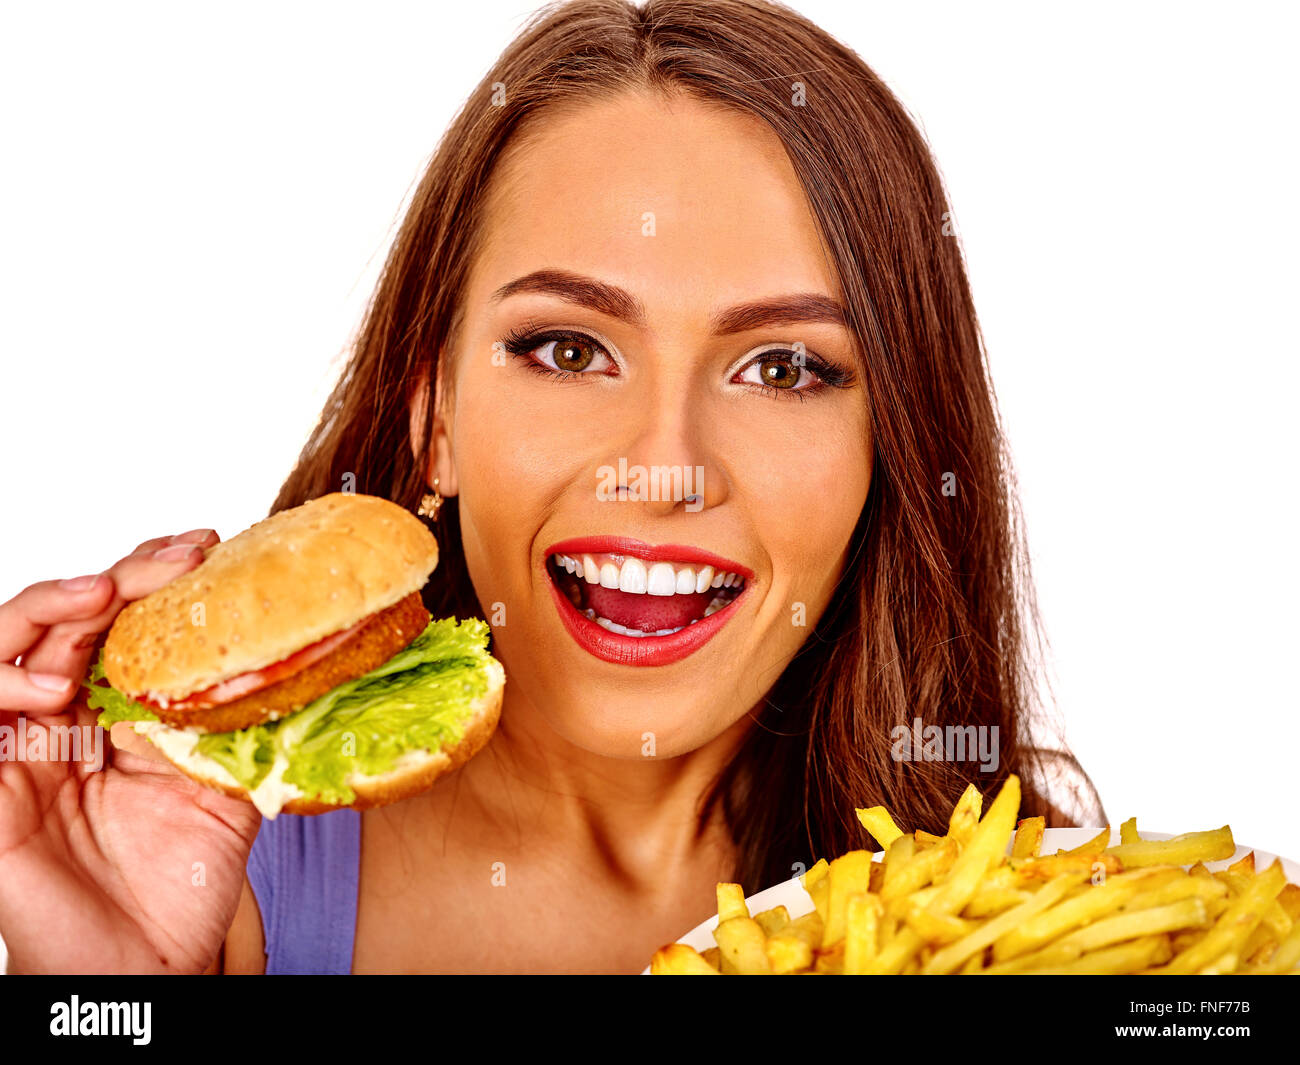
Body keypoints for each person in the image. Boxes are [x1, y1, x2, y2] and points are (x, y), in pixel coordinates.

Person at [0, 0, 1102, 975]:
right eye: (569, 350)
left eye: (783, 367)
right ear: (435, 420)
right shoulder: (210, 881)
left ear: (892, 447)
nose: (666, 469)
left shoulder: (1029, 908)